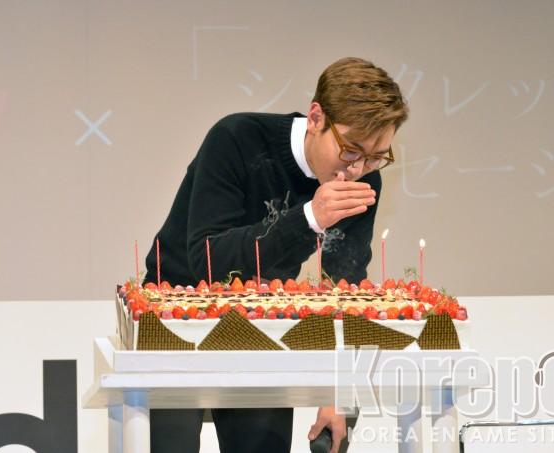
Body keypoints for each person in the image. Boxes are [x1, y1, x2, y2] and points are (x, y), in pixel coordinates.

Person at [143, 57, 409, 453]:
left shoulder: (363, 179)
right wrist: (309, 217)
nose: (359, 169)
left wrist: (341, 392)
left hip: (261, 323)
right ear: (316, 118)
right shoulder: (236, 138)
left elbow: (345, 287)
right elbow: (207, 262)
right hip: (174, 315)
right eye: (351, 151)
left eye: (377, 157)